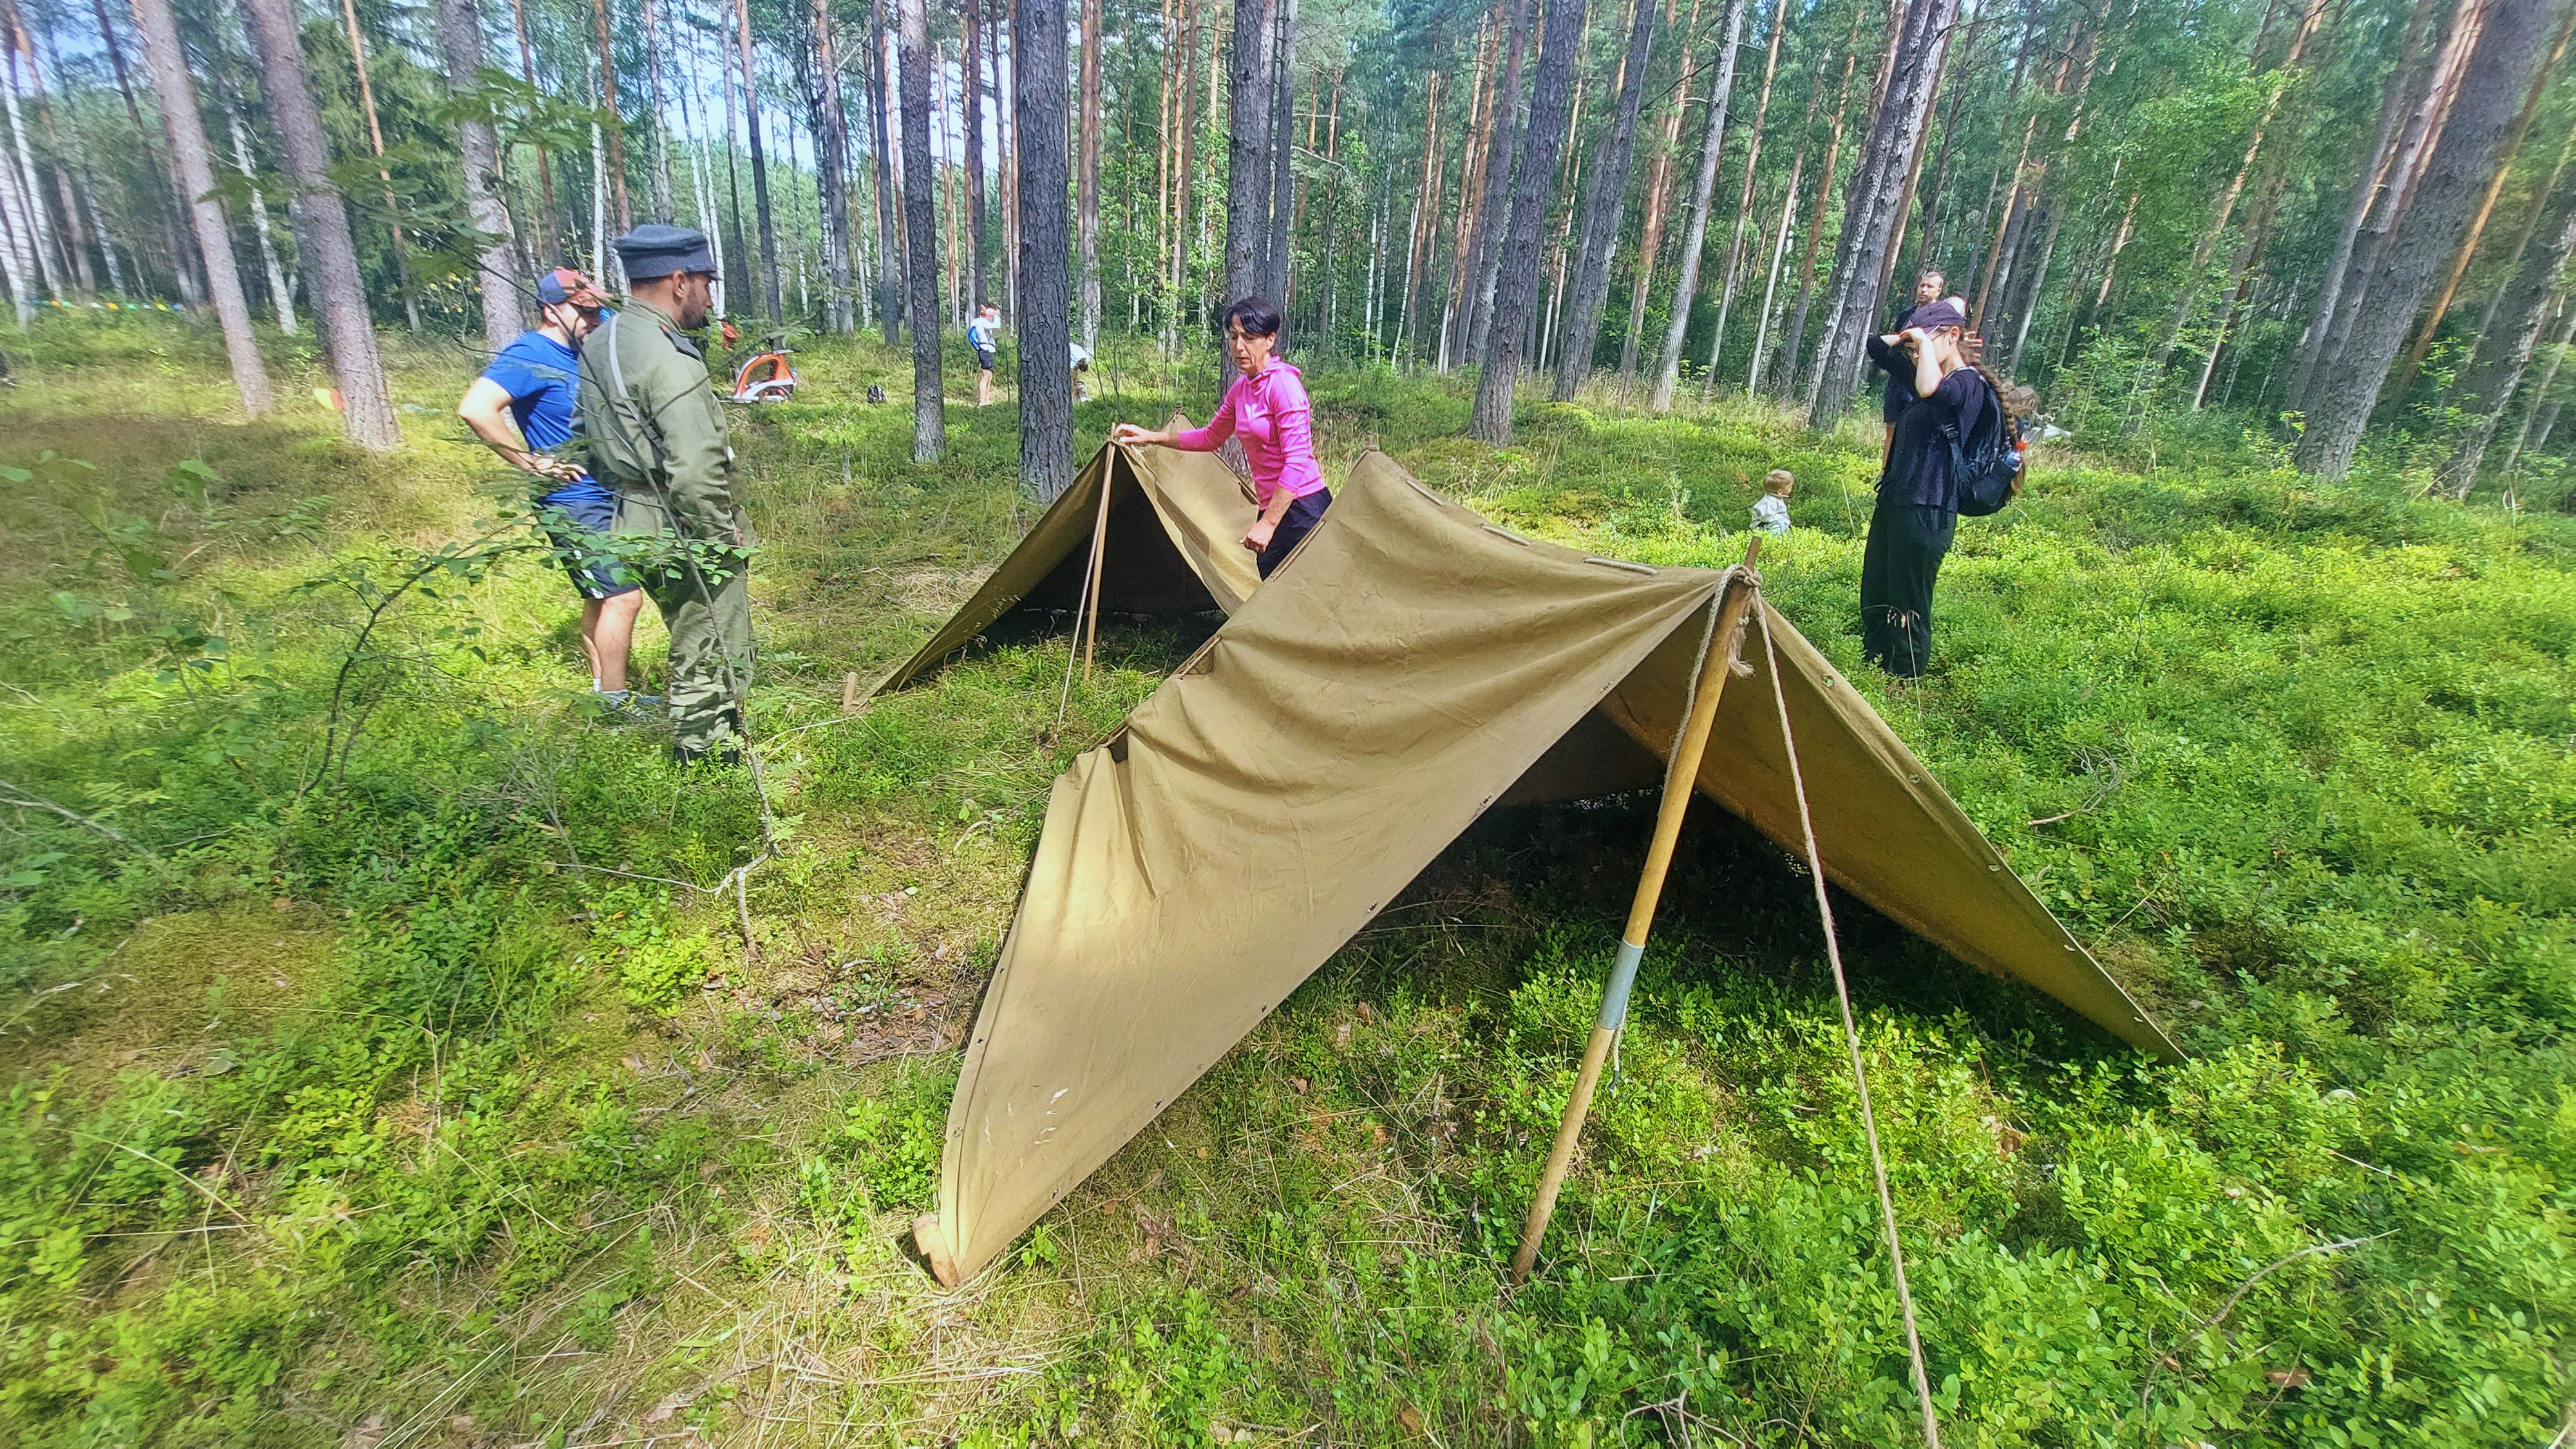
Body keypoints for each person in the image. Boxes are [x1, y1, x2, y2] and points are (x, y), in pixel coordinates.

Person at [574, 225, 756, 766]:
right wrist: (721, 536)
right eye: (705, 282)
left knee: (686, 629)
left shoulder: (599, 341)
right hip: (681, 523)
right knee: (710, 644)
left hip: (630, 519)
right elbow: (697, 468)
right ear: (678, 281)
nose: (708, 297)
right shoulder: (671, 357)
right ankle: (705, 763)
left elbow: (590, 441)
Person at [457, 268, 650, 710]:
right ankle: (617, 706)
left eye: (597, 308)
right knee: (624, 597)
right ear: (550, 311)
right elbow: (475, 408)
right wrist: (532, 461)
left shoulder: (581, 352)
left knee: (599, 596)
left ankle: (604, 692)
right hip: (571, 503)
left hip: (604, 494)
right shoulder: (529, 353)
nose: (595, 317)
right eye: (583, 310)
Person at [1110, 297, 1329, 579]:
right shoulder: (1241, 390)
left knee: (1309, 595)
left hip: (1304, 507)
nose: (1239, 347)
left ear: (1270, 340)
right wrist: (1153, 437)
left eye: (1249, 338)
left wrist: (1268, 524)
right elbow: (1210, 438)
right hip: (1271, 506)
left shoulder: (1284, 385)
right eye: (1233, 336)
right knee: (1276, 594)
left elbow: (1297, 460)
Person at [1858, 298, 1980, 678]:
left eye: (1922, 346)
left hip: (1928, 509)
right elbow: (1876, 347)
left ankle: (1905, 676)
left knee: (1908, 599)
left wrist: (1925, 345)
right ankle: (1872, 662)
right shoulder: (1919, 375)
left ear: (1953, 336)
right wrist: (1908, 337)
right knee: (1877, 590)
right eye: (1913, 349)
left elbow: (1931, 390)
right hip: (1895, 501)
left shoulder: (1968, 385)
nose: (1913, 355)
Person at [1880, 272, 1949, 469]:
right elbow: (1895, 341)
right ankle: (1885, 472)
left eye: (1929, 287)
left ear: (1939, 291)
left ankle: (1907, 472)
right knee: (1892, 427)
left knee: (1913, 429)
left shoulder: (1940, 317)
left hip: (1920, 380)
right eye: (1922, 286)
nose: (1924, 290)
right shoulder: (1906, 314)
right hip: (1898, 380)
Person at [968, 301, 1002, 407]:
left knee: (989, 377)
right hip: (985, 351)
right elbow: (997, 325)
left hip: (988, 350)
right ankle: (982, 401)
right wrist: (997, 316)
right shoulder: (981, 322)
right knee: (985, 377)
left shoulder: (981, 322)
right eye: (991, 316)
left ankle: (986, 399)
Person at [1752, 469, 1794, 536]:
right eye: (1789, 487)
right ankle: (1774, 538)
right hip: (1763, 526)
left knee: (1787, 526)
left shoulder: (1777, 498)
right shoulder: (1770, 501)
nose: (1791, 488)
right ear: (1780, 492)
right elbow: (1765, 517)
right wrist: (1781, 519)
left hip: (1771, 524)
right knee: (1783, 524)